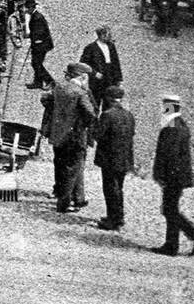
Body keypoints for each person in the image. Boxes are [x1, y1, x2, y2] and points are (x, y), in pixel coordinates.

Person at [151, 94, 194, 256]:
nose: (163, 110)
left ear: (169, 107)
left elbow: (170, 155)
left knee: (169, 209)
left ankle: (192, 236)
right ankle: (173, 244)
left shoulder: (172, 127)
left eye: (165, 107)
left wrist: (163, 176)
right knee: (170, 209)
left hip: (174, 176)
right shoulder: (179, 123)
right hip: (178, 175)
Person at [42, 63, 96, 214]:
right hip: (75, 136)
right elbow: (91, 114)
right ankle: (65, 203)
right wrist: (82, 123)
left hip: (57, 134)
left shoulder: (59, 87)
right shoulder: (81, 93)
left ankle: (76, 197)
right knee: (73, 167)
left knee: (61, 165)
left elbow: (45, 100)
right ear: (83, 77)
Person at [92, 85, 135, 231]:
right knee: (119, 188)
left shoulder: (107, 115)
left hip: (109, 158)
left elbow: (97, 134)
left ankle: (113, 219)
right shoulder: (129, 115)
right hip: (125, 158)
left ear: (108, 98)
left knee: (110, 189)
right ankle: (119, 216)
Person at [78, 25, 123, 114]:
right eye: (106, 35)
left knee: (109, 103)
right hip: (96, 82)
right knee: (95, 104)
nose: (108, 37)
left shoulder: (111, 46)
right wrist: (94, 73)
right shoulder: (90, 48)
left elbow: (116, 63)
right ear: (100, 35)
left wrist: (119, 79)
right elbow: (83, 64)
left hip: (110, 79)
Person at [25, 0, 54, 89]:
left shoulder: (37, 17)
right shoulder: (35, 15)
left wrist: (34, 39)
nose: (26, 10)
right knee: (36, 63)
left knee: (36, 63)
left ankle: (50, 81)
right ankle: (38, 82)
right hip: (38, 44)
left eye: (27, 8)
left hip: (41, 45)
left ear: (31, 8)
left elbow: (39, 32)